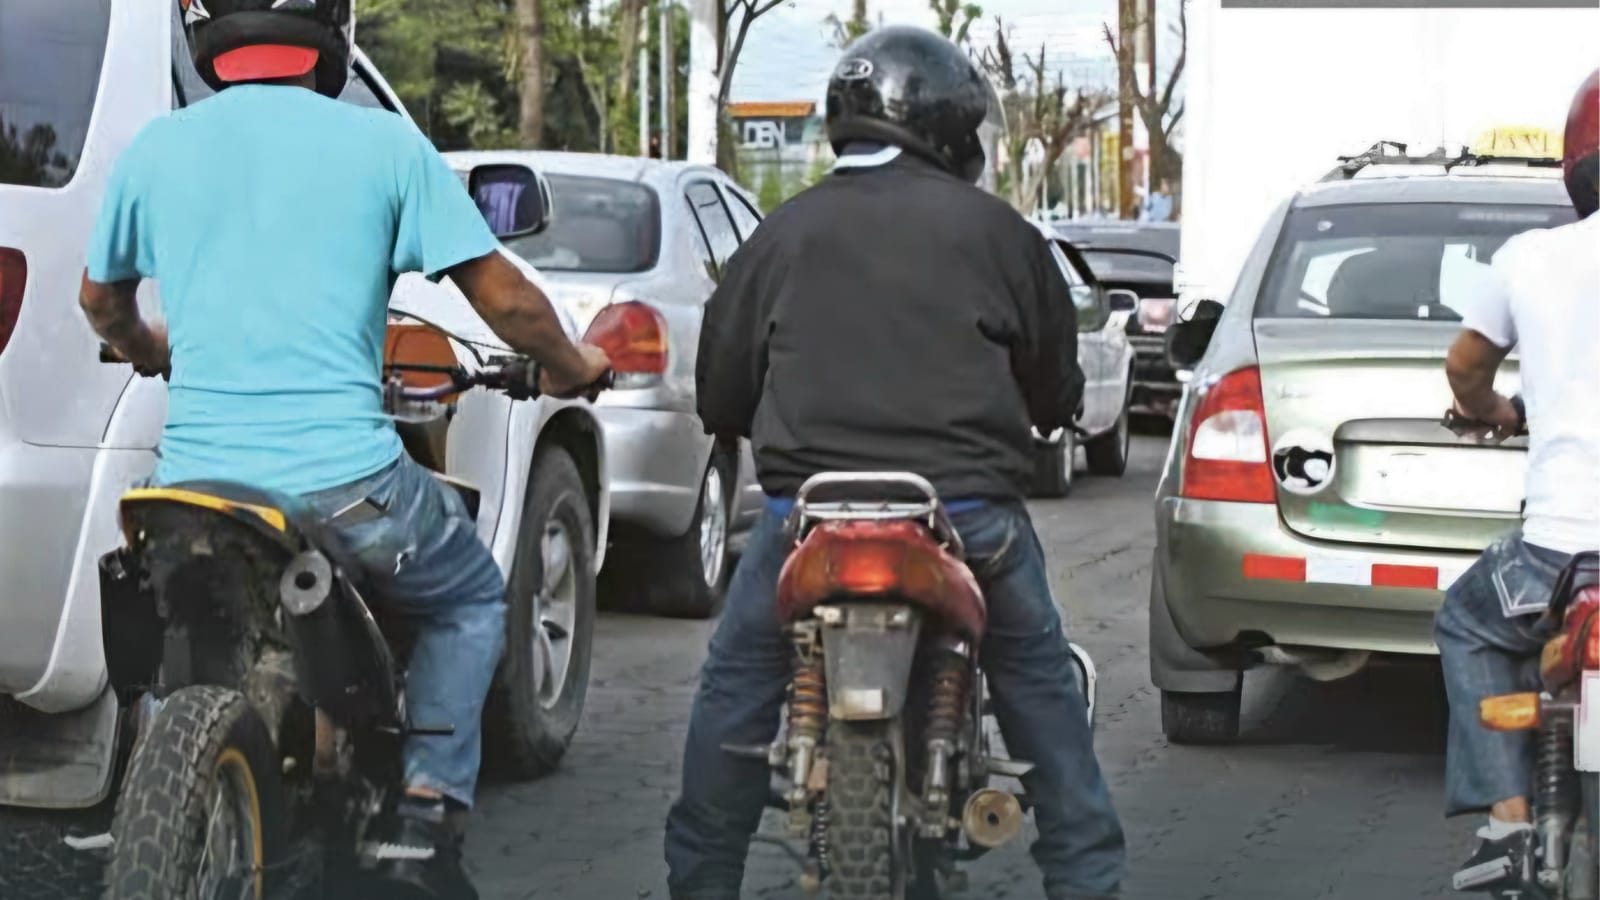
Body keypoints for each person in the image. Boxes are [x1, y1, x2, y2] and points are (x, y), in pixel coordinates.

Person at [77, 2, 609, 897]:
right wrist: (570, 362)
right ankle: (425, 814)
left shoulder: (157, 150)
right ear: (332, 27)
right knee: (472, 594)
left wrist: (149, 349)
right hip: (346, 488)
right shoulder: (387, 148)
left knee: (180, 613)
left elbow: (103, 304)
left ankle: (165, 764)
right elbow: (506, 300)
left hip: (192, 489)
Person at [663, 26, 1126, 900]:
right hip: (968, 517)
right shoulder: (1002, 234)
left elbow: (720, 393)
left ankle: (701, 878)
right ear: (950, 124)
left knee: (734, 688)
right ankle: (1085, 875)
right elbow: (1057, 390)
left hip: (809, 515)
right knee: (1039, 684)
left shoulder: (781, 234)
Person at [1436, 68, 1599, 898]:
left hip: (1556, 562)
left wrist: (1497, 408)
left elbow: (1465, 367)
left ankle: (1508, 821)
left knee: (1464, 620)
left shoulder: (1530, 257)